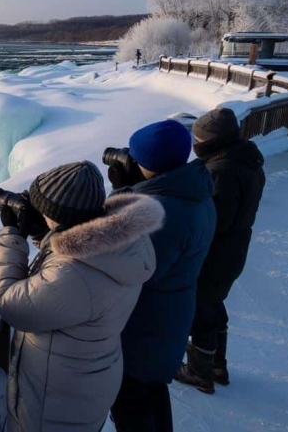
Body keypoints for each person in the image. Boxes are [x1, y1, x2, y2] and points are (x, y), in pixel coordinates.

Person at [0, 161, 163, 431]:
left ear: (57, 215)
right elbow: (69, 253)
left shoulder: (74, 273)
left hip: (56, 399)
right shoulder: (119, 243)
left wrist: (12, 236)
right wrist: (45, 234)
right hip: (87, 379)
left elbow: (9, 303)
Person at [107, 119, 217, 432]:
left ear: (150, 163)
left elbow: (130, 268)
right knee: (152, 390)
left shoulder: (160, 214)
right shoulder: (196, 193)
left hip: (145, 324)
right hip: (171, 314)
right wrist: (134, 190)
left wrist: (121, 196)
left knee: (131, 402)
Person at [175, 108, 265, 393]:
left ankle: (201, 372)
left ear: (213, 142)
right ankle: (216, 365)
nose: (195, 143)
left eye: (198, 138)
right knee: (213, 304)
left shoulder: (222, 171)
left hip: (215, 255)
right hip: (232, 251)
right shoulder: (245, 159)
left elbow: (214, 221)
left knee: (203, 309)